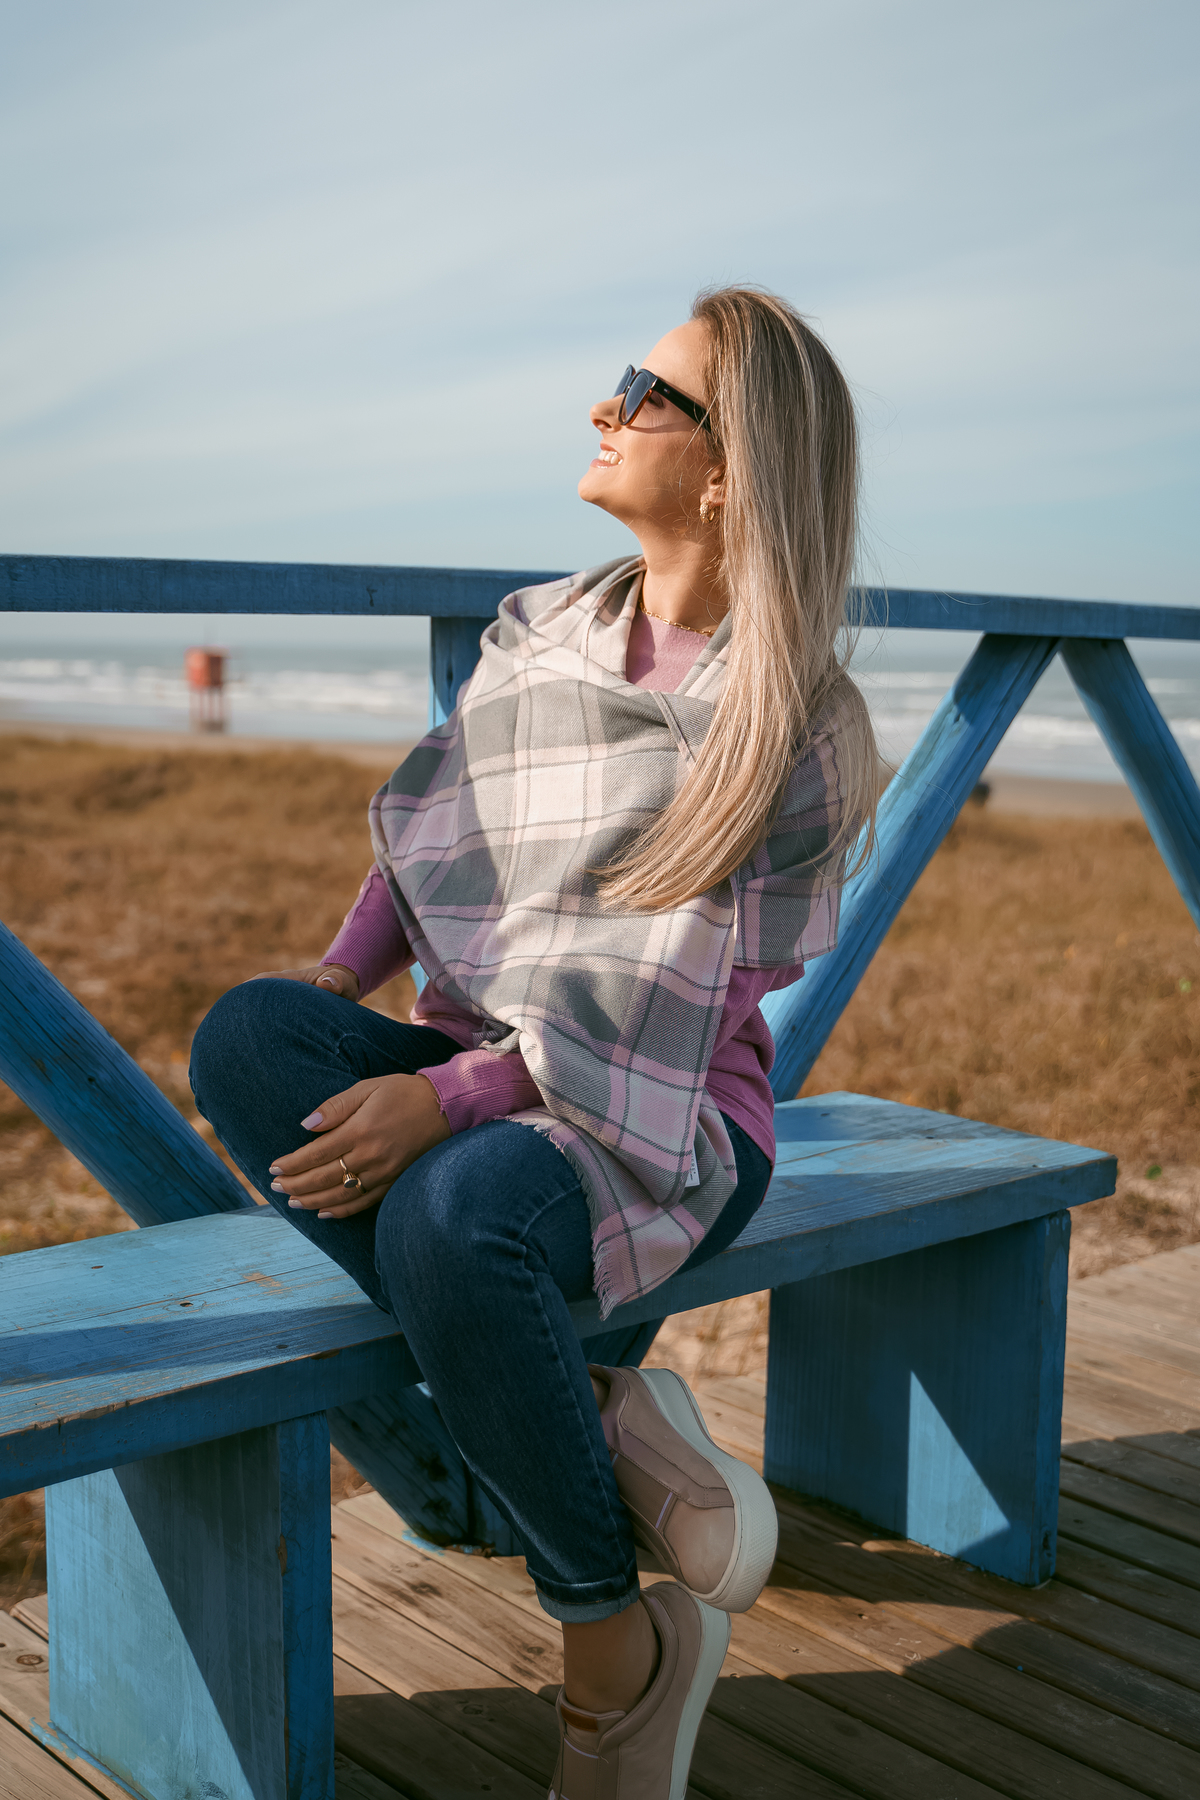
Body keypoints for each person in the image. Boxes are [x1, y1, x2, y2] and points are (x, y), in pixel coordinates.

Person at [190, 285, 877, 1800]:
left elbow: (666, 995)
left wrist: (453, 1096)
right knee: (245, 1039)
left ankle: (609, 1645)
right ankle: (613, 1412)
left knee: (452, 1212)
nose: (603, 407)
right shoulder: (544, 629)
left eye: (645, 388)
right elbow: (438, 832)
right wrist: (337, 985)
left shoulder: (794, 720)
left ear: (725, 468)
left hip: (674, 1118)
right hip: (469, 1074)